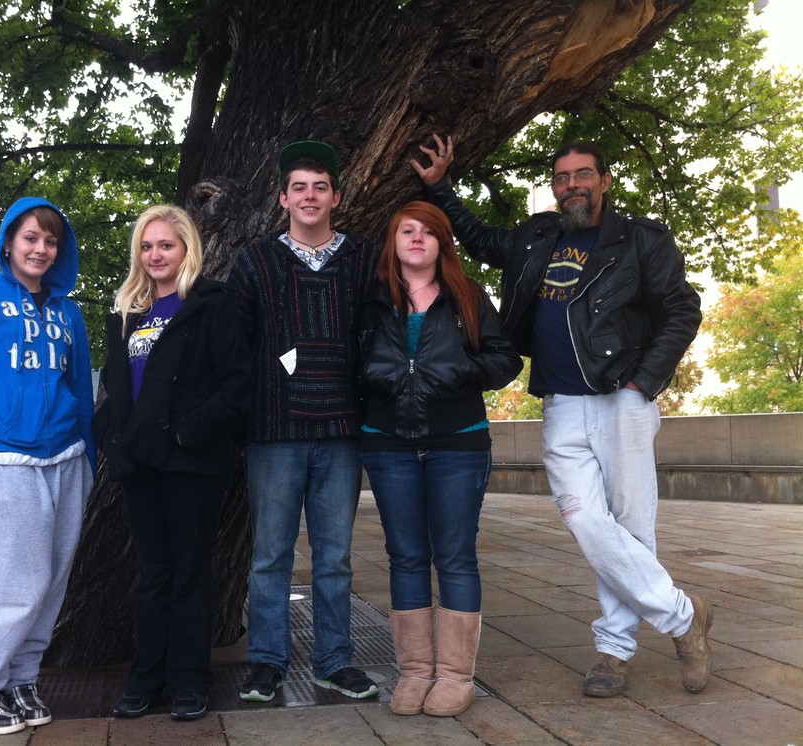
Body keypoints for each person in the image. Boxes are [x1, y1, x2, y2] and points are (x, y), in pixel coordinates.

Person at [411, 135, 711, 698]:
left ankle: (614, 652)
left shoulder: (640, 240)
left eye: (583, 174)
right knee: (584, 519)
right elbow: (476, 238)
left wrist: (643, 382)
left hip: (620, 397)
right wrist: (439, 187)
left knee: (630, 527)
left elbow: (681, 309)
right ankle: (685, 617)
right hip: (560, 401)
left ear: (604, 180)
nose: (572, 184)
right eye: (562, 177)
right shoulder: (535, 237)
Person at [227, 141, 381, 703]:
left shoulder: (364, 258)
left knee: (334, 557)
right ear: (283, 198)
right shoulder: (256, 260)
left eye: (320, 186)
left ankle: (334, 660)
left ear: (336, 196)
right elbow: (235, 345)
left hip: (341, 430)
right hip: (273, 431)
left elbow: (380, 337)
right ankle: (267, 660)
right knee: (270, 555)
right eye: (299, 186)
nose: (309, 196)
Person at [359, 201, 522, 717]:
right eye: (406, 230)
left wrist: (460, 371)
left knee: (454, 556)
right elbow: (345, 358)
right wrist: (373, 376)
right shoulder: (371, 299)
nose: (416, 238)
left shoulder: (468, 296)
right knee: (405, 555)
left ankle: (455, 677)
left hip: (458, 442)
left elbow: (505, 358)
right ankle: (413, 673)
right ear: (394, 241)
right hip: (387, 442)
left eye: (428, 232)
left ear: (442, 243)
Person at [0, 198, 96, 735]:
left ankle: (18, 680)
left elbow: (79, 390)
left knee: (50, 584)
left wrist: (90, 462)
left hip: (67, 462)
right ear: (10, 241)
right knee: (11, 588)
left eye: (50, 241)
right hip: (5, 464)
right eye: (31, 237)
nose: (40, 249)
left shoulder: (69, 311)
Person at [95, 205, 250, 721]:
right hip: (139, 466)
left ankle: (189, 681)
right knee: (152, 575)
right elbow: (114, 392)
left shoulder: (211, 305)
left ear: (187, 250)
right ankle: (146, 679)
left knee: (189, 573)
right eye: (147, 246)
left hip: (190, 464)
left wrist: (188, 431)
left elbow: (236, 387)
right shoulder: (127, 313)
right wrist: (112, 441)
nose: (155, 254)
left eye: (166, 245)